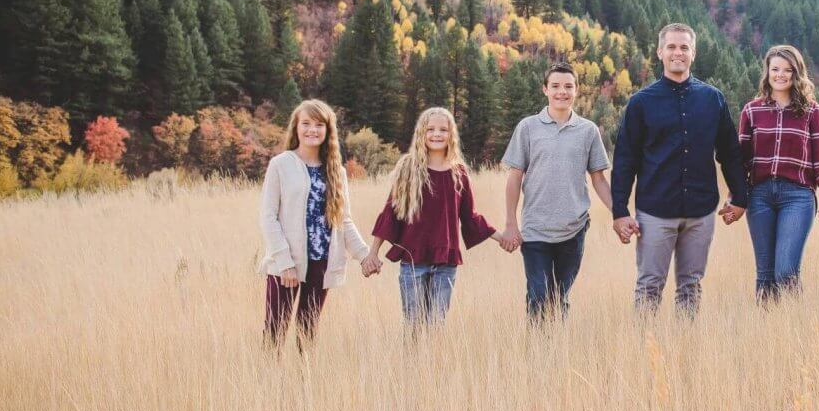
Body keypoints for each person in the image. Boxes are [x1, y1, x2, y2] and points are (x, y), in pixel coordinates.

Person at [611, 22, 749, 318]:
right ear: (660, 52)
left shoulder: (713, 99)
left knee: (691, 286)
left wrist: (740, 197)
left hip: (700, 212)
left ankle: (684, 352)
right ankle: (642, 351)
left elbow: (729, 152)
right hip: (655, 212)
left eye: (684, 47)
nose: (678, 53)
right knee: (649, 286)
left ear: (693, 53)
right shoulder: (641, 103)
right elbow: (625, 160)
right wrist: (620, 210)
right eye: (671, 47)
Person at [363, 107, 516, 324]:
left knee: (436, 326)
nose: (436, 134)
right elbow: (391, 211)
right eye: (430, 129)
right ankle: (413, 360)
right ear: (421, 133)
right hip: (413, 261)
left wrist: (502, 238)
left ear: (451, 134)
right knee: (414, 327)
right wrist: (372, 254)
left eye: (443, 129)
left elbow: (470, 217)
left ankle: (434, 360)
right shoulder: (409, 168)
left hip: (445, 262)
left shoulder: (459, 172)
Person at [496, 62, 613, 323]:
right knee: (537, 296)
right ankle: (537, 356)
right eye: (556, 86)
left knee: (559, 297)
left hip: (573, 229)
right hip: (535, 229)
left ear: (577, 90)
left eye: (568, 86)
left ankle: (557, 354)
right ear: (545, 90)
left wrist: (620, 213)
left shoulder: (588, 131)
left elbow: (599, 180)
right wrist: (511, 224)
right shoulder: (528, 127)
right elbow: (514, 178)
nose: (562, 92)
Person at [257, 99, 371, 347]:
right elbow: (268, 217)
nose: (312, 130)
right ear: (296, 128)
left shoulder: (336, 171)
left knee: (307, 333)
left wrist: (364, 255)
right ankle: (266, 384)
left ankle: (305, 384)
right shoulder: (281, 164)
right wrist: (285, 262)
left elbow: (343, 220)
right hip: (286, 263)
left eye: (319, 124)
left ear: (328, 130)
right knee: (274, 332)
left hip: (321, 262)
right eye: (306, 123)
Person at [738, 44, 819, 301]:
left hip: (797, 196)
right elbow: (742, 161)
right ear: (767, 72)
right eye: (775, 69)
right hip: (759, 195)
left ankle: (796, 330)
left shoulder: (811, 111)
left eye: (787, 70)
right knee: (765, 275)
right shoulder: (751, 110)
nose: (780, 75)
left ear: (797, 74)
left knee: (786, 272)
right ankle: (768, 337)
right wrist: (734, 197)